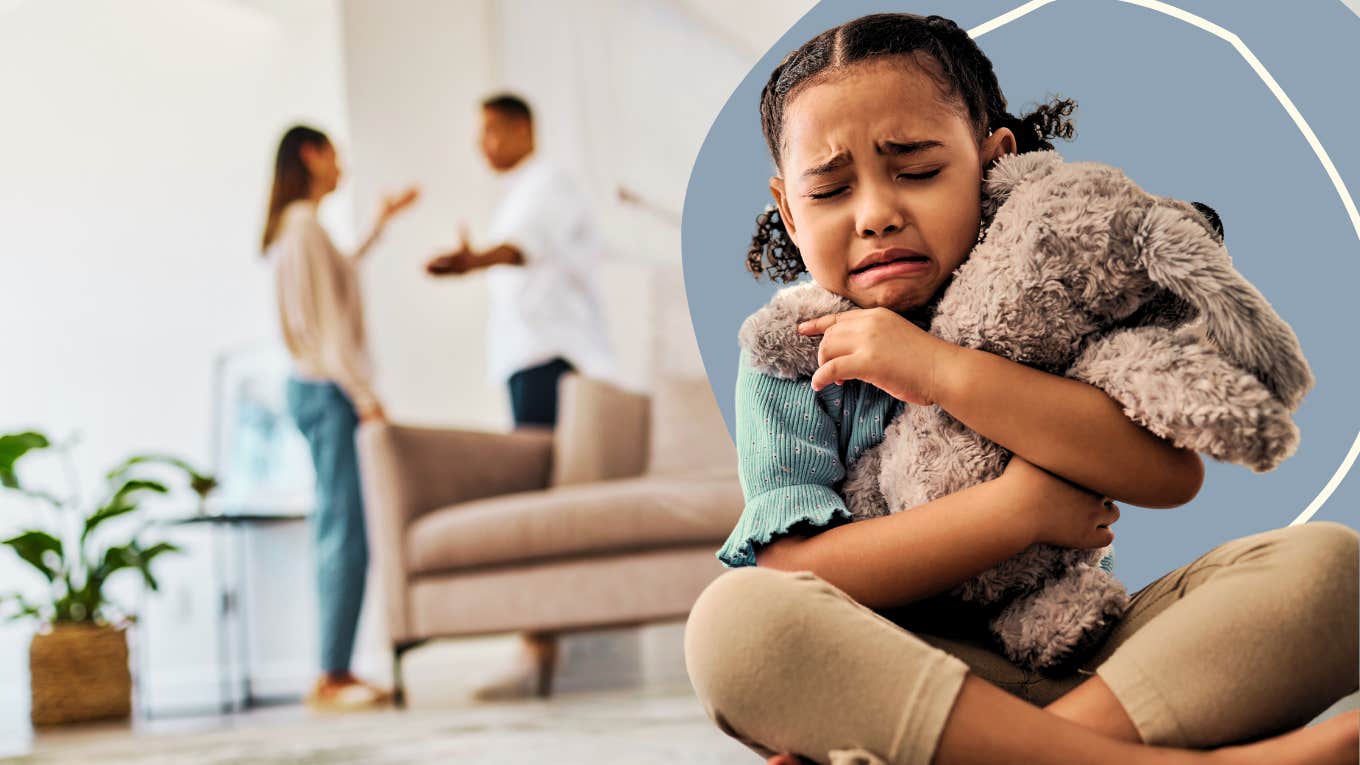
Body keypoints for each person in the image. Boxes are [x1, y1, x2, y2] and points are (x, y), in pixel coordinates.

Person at [683, 13, 1359, 765]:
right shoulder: (787, 354)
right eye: (832, 189)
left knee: (1331, 569)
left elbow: (1169, 475)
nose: (876, 214)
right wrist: (1015, 511)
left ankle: (1021, 752)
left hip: (1095, 663)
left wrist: (939, 370)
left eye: (917, 170)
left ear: (992, 157)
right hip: (905, 671)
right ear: (788, 209)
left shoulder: (1055, 288)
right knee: (734, 623)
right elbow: (792, 570)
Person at [262, 124, 419, 711]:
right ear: (311, 155)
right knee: (344, 532)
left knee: (344, 527)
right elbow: (329, 326)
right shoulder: (303, 226)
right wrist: (364, 395)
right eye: (335, 153)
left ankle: (335, 669)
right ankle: (331, 676)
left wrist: (379, 223)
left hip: (317, 389)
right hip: (327, 391)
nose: (341, 163)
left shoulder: (300, 229)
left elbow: (338, 278)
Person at [426, 93, 615, 430]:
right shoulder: (519, 193)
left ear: (522, 128)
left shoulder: (549, 182)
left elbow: (522, 246)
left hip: (548, 355)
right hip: (527, 354)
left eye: (490, 130)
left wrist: (475, 261)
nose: (481, 144)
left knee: (547, 467)